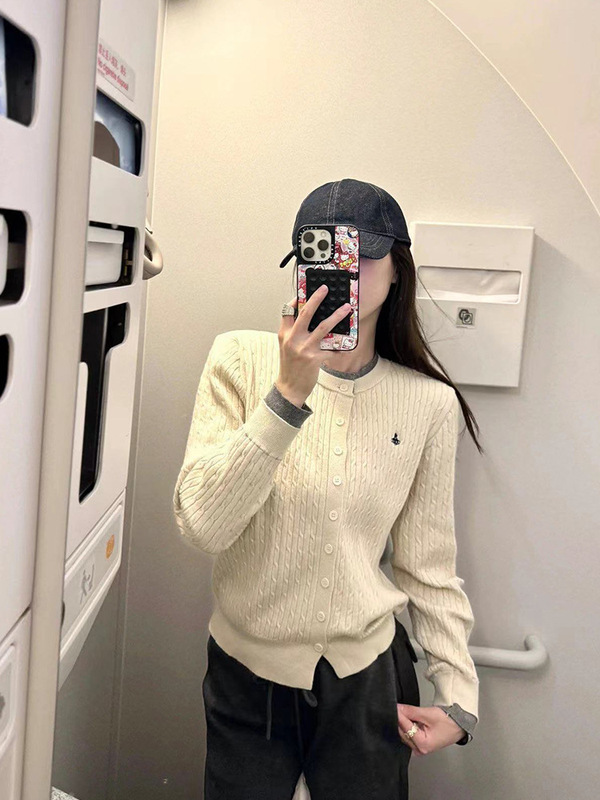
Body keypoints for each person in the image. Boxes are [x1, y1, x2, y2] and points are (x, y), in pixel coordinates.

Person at [173, 179, 482, 799]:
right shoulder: (239, 360)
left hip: (367, 678)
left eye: (363, 254)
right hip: (247, 675)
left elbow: (427, 565)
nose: (345, 271)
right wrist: (287, 394)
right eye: (324, 254)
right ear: (300, 266)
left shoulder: (428, 404)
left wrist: (458, 694)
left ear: (398, 269)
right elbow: (202, 526)